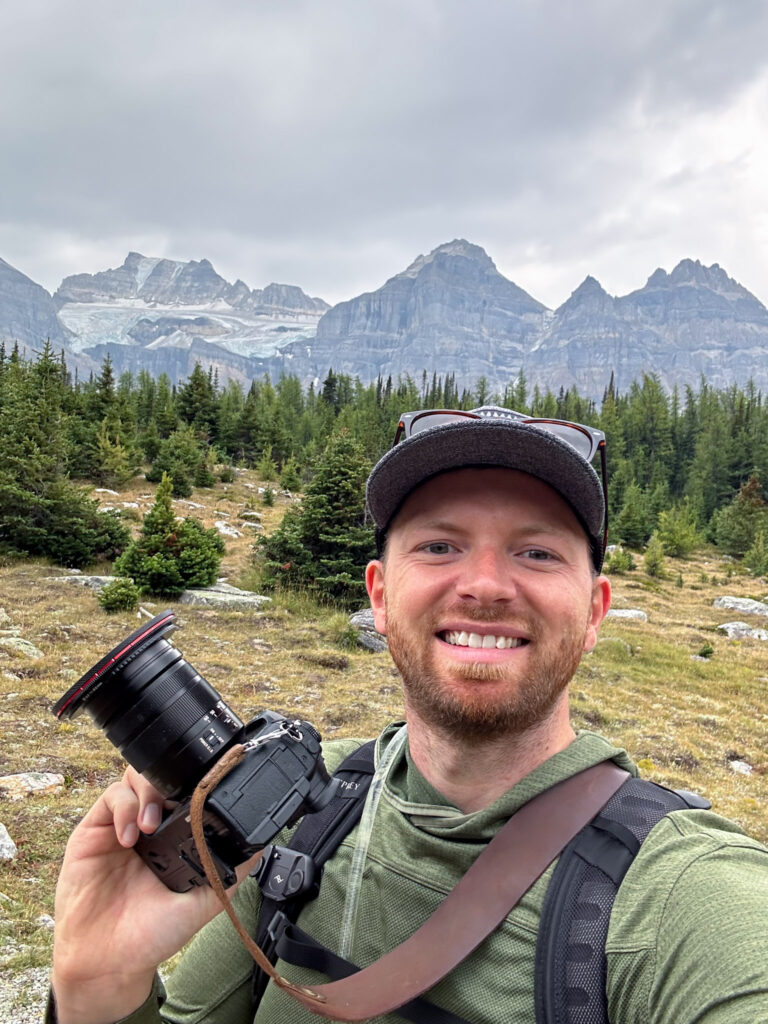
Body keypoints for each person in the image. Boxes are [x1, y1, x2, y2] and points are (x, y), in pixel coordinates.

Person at [49, 406, 768, 1024]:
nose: (485, 585)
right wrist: (97, 986)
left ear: (594, 612)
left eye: (538, 552)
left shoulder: (681, 899)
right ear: (382, 596)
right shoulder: (306, 814)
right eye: (439, 545)